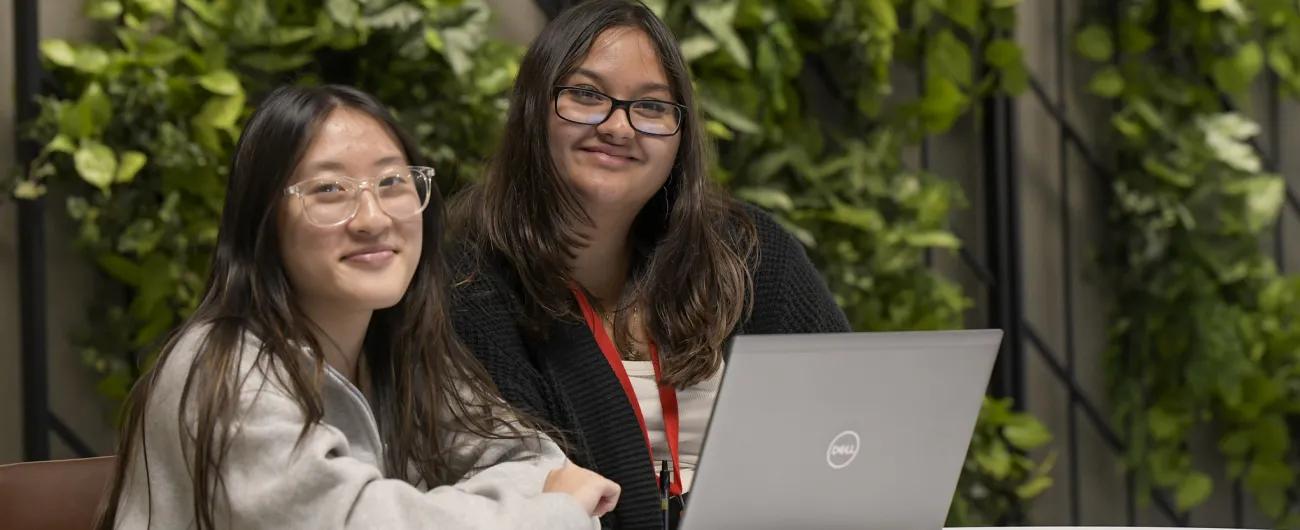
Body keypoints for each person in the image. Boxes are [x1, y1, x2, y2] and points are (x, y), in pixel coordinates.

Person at [95, 84, 620, 530]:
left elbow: (535, 461)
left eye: (392, 182)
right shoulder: (224, 368)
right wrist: (553, 515)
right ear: (263, 223)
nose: (371, 218)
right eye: (328, 189)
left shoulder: (403, 345)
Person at [446, 1, 851, 528]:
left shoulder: (749, 253)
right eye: (587, 95)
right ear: (531, 109)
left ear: (680, 137)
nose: (619, 126)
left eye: (653, 107)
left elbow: (848, 426)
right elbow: (521, 487)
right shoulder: (469, 285)